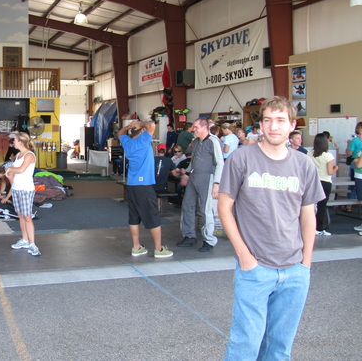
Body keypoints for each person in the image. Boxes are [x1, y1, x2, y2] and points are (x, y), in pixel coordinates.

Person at [218, 96, 324, 360]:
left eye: (280, 120)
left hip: (295, 270)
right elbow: (224, 208)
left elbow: (308, 215)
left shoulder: (304, 165)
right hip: (255, 268)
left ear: (292, 125)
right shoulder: (241, 159)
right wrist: (245, 257)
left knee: (279, 348)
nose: (273, 126)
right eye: (268, 120)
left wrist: (306, 263)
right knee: (245, 345)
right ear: (261, 124)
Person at [118, 120, 173, 259]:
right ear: (142, 131)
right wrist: (140, 124)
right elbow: (152, 125)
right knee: (153, 217)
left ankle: (136, 247)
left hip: (131, 186)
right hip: (144, 186)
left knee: (134, 217)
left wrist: (128, 126)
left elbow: (120, 133)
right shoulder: (143, 140)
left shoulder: (127, 142)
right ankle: (159, 249)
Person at [176, 118, 224, 252]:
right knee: (187, 205)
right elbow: (194, 158)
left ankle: (209, 240)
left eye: (196, 127)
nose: (193, 129)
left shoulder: (213, 141)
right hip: (194, 176)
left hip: (207, 177)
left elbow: (220, 163)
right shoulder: (196, 141)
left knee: (205, 209)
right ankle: (189, 235)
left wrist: (217, 183)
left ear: (204, 127)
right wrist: (186, 173)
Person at [4, 132, 40, 256]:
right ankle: (24, 240)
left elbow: (20, 170)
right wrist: (9, 175)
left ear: (20, 142)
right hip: (17, 189)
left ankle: (33, 244)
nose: (13, 142)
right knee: (20, 216)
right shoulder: (18, 155)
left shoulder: (29, 155)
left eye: (14, 140)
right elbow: (13, 174)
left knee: (27, 217)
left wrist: (9, 169)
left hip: (26, 190)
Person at [308, 133, 338, 236]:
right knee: (322, 206)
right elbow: (330, 172)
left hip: (313, 182)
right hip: (325, 182)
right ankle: (319, 228)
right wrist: (335, 169)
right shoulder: (328, 156)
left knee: (311, 206)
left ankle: (309, 227)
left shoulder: (309, 153)